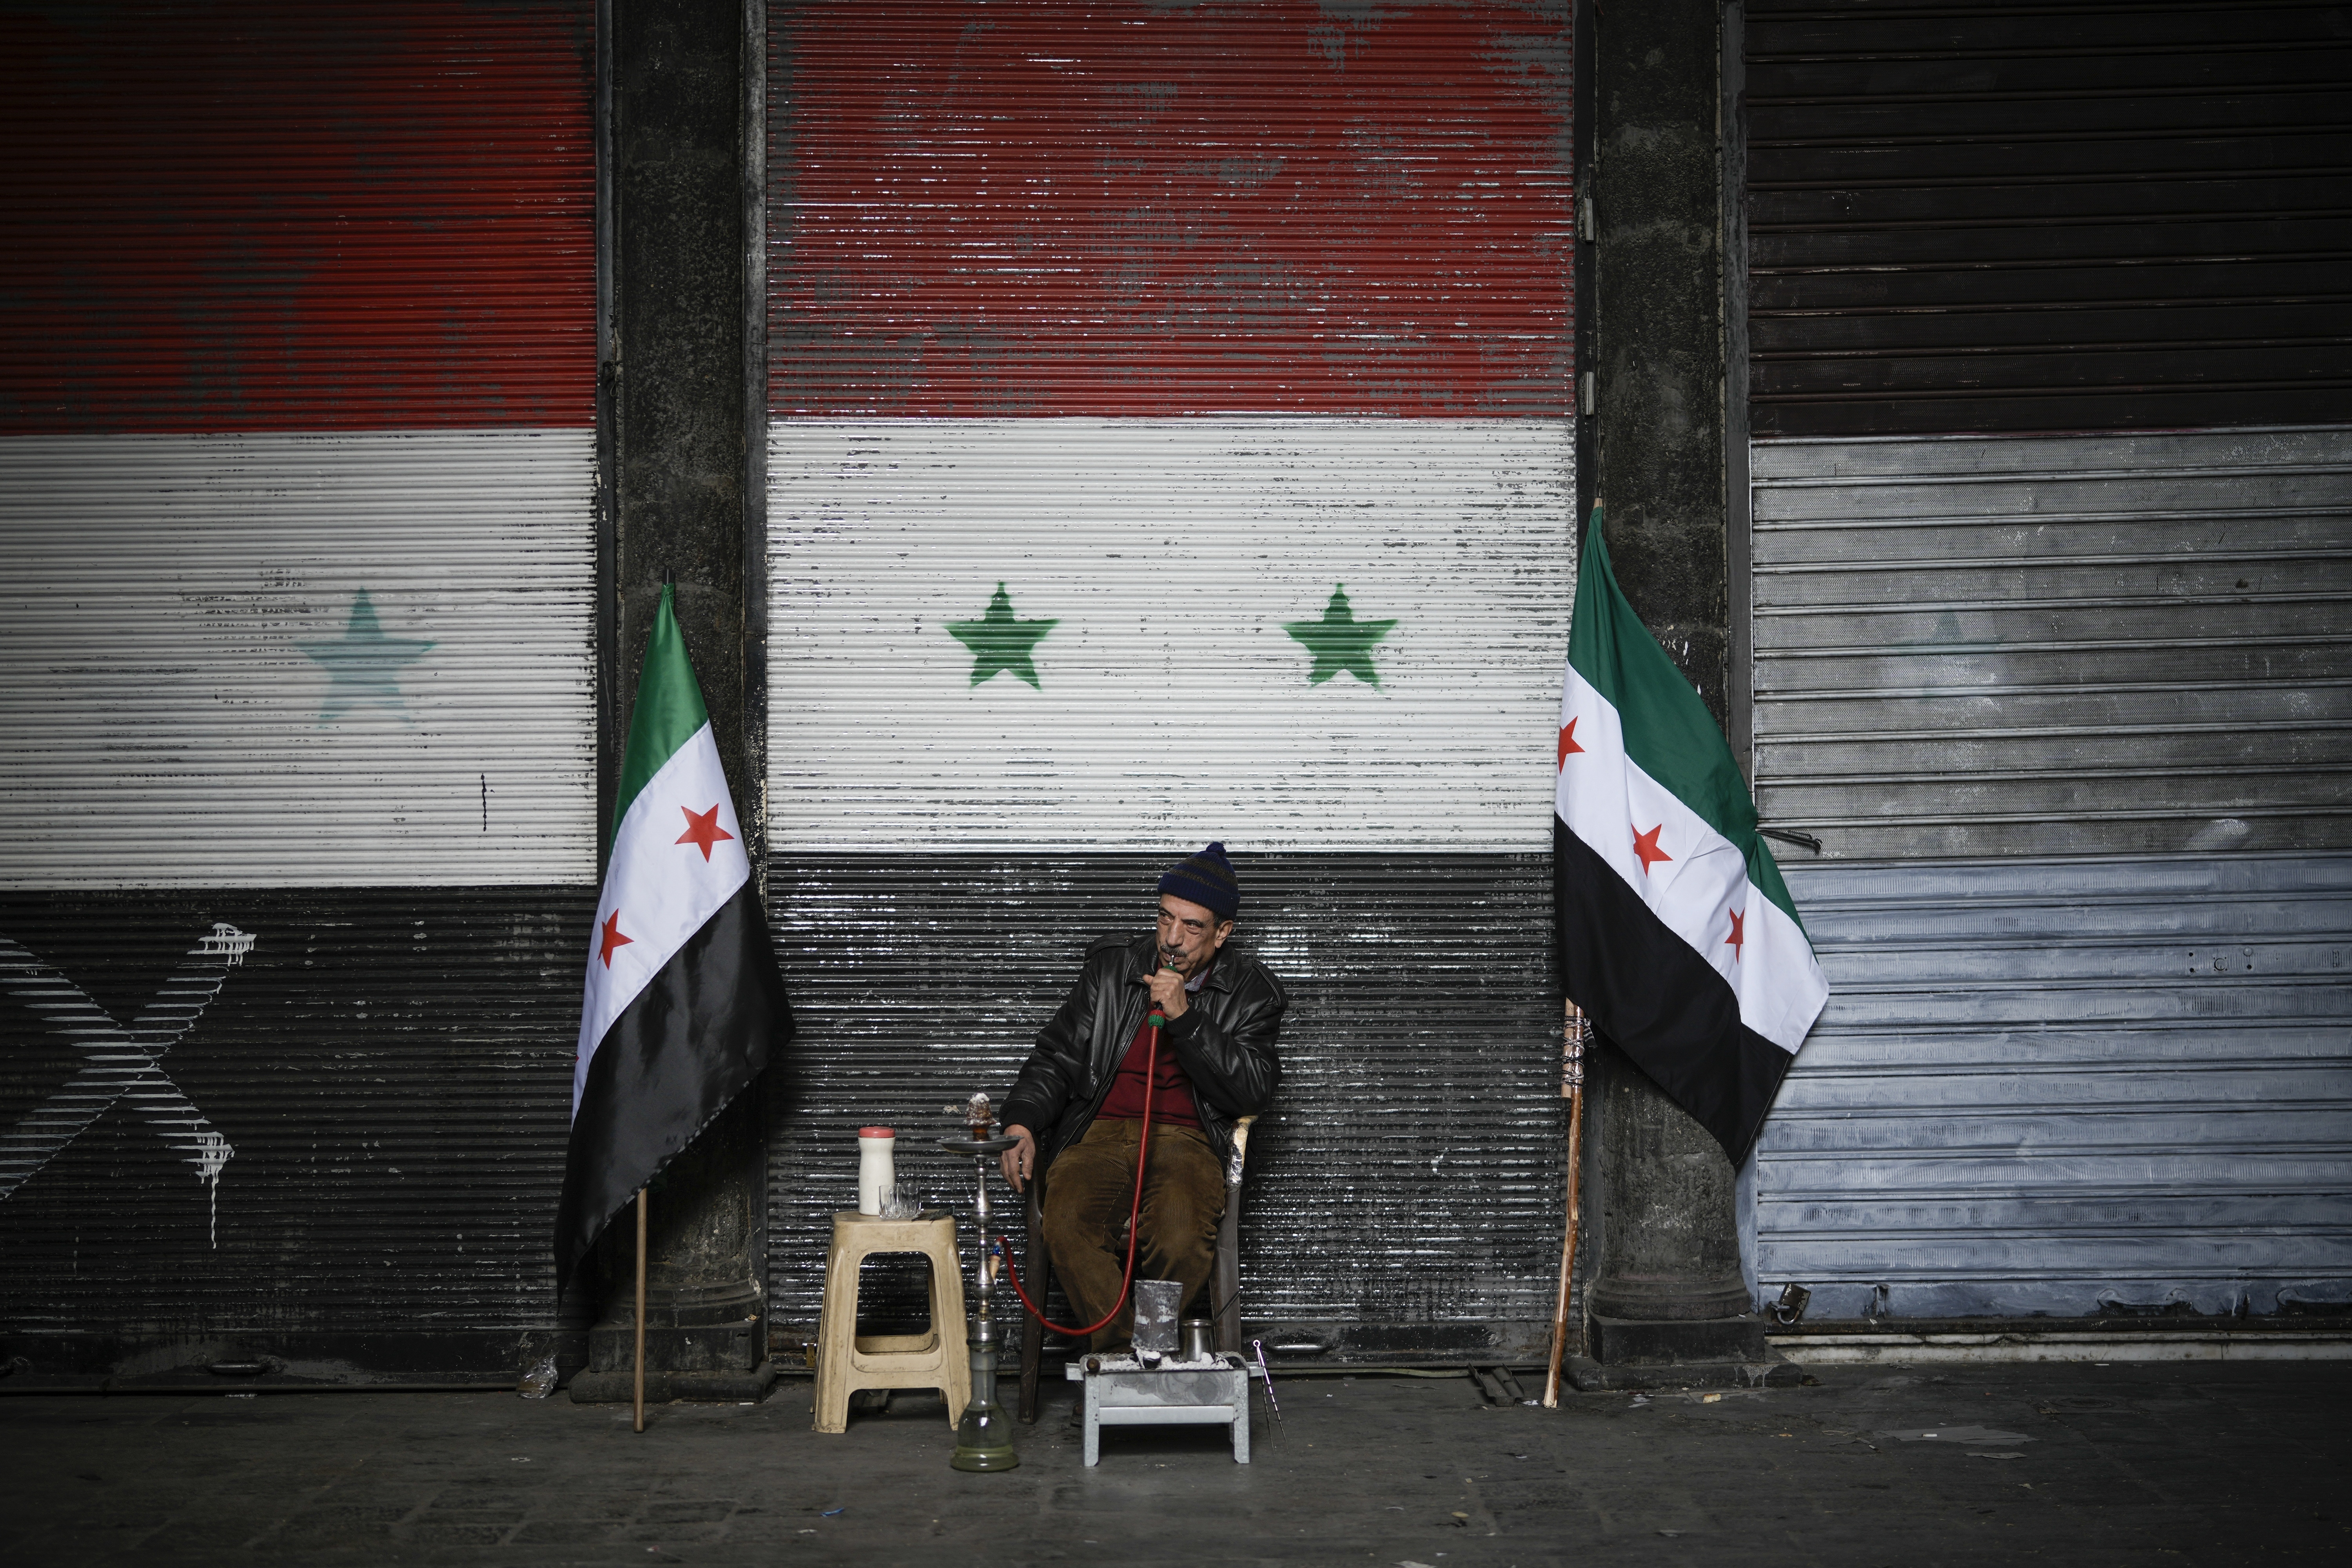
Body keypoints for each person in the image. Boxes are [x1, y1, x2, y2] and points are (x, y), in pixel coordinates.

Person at [999, 842, 1286, 1354]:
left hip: (1188, 1142)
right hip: (1100, 1132)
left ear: (1223, 933)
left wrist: (1188, 1021)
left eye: (1193, 927)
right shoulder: (1112, 969)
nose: (1172, 939)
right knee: (1065, 1224)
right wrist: (1021, 1122)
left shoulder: (1252, 992)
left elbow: (1254, 1090)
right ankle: (1130, 1364)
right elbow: (1057, 1057)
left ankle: (1138, 1360)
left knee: (1179, 1237)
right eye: (1165, 919)